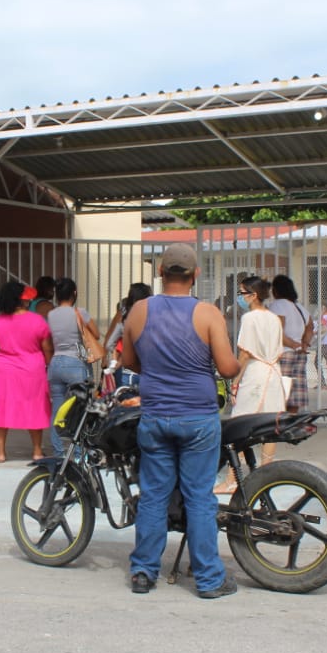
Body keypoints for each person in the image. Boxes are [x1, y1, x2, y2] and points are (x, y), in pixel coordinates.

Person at [121, 243, 241, 599]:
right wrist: (242, 364)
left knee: (154, 496)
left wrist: (159, 371)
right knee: (199, 498)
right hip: (198, 419)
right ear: (195, 275)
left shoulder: (139, 311)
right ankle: (208, 579)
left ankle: (143, 572)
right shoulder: (208, 314)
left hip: (156, 416)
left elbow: (129, 360)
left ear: (160, 272)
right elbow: (226, 367)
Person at [216, 276, 286, 493]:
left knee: (239, 425)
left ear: (253, 295)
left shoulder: (250, 318)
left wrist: (236, 380)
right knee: (270, 425)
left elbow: (245, 353)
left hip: (256, 374)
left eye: (242, 293)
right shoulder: (274, 318)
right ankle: (266, 475)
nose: (240, 297)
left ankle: (232, 479)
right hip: (274, 373)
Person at [0, 281, 54, 462]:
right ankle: (36, 451)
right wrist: (50, 365)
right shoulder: (37, 321)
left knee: (0, 410)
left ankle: (1, 453)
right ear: (22, 301)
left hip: (3, 371)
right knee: (35, 408)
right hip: (32, 370)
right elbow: (47, 349)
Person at [46, 278, 99, 456]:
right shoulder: (80, 312)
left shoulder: (51, 315)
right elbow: (96, 334)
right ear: (74, 293)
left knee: (57, 409)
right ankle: (77, 451)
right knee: (80, 410)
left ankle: (58, 450)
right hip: (76, 363)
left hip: (56, 363)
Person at [266, 275, 313, 412]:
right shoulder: (299, 307)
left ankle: (279, 425)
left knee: (280, 395)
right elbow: (310, 327)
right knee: (295, 395)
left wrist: (293, 344)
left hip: (283, 354)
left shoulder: (277, 305)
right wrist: (303, 344)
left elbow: (277, 331)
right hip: (299, 355)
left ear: (275, 290)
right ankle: (291, 423)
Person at [103, 282, 152, 389]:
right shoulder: (154, 321)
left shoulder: (124, 320)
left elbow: (110, 342)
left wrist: (119, 354)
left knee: (126, 403)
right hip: (149, 373)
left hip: (127, 372)